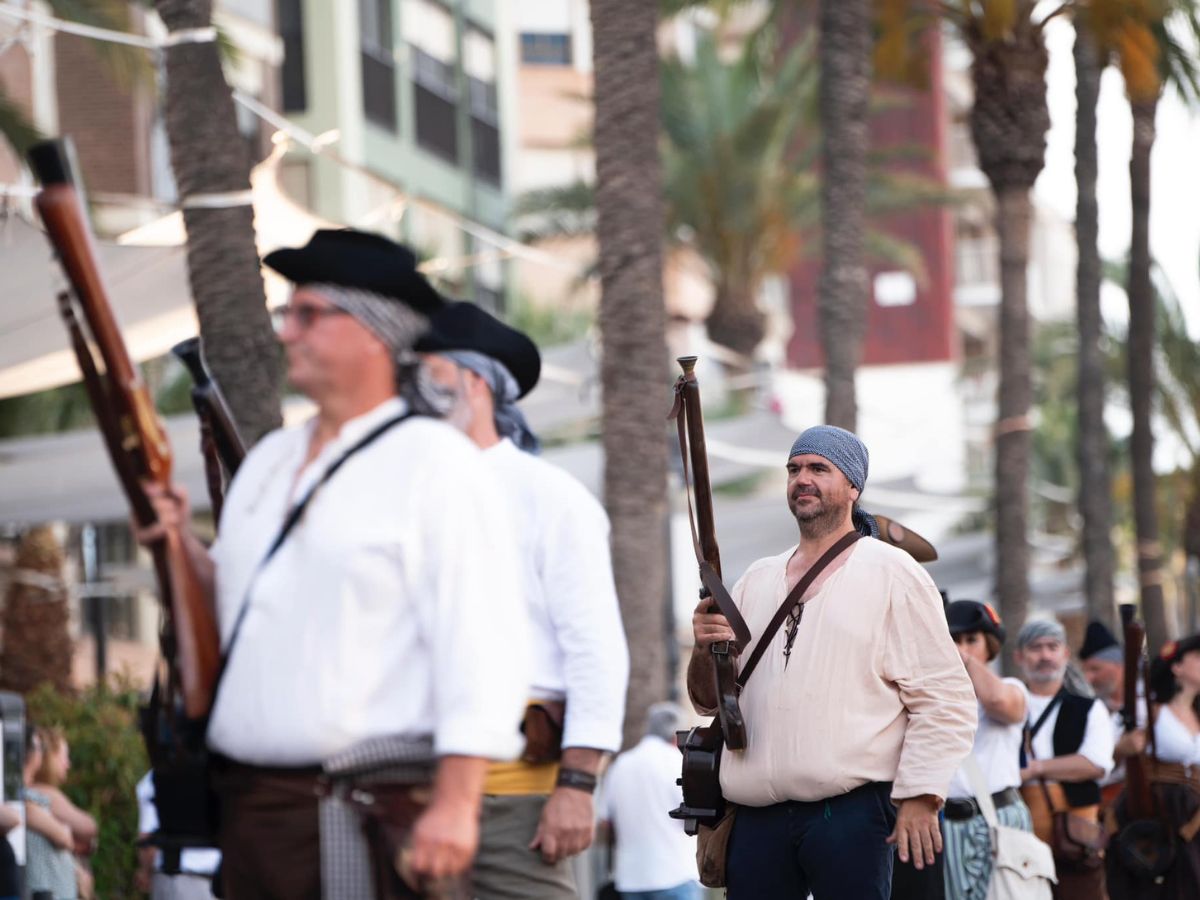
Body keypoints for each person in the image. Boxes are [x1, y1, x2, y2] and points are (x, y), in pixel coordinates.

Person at [135, 229, 531, 900]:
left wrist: (458, 803)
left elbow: (482, 645)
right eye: (288, 313)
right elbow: (229, 599)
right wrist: (176, 544)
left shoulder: (437, 465)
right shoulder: (269, 462)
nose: (287, 332)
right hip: (253, 811)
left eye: (308, 314)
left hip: (367, 816)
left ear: (374, 333)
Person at [689, 424, 977, 899]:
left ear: (852, 487)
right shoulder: (755, 579)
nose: (802, 478)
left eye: (819, 468)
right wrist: (704, 647)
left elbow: (943, 697)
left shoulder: (892, 572)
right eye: (794, 469)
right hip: (757, 819)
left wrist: (921, 795)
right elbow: (708, 701)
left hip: (850, 814)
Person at [417, 301, 629, 899]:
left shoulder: (548, 496)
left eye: (427, 376)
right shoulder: (402, 491)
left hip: (512, 799)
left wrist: (578, 786)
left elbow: (595, 651)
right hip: (404, 791)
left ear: (474, 382)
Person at [1015, 619, 1114, 900]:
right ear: (1019, 656)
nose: (1045, 655)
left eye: (1052, 647)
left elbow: (1095, 764)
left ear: (1065, 654)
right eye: (1035, 648)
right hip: (1019, 837)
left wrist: (1034, 769)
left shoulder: (1089, 708)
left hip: (1076, 839)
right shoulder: (1006, 705)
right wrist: (1066, 767)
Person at [941, 600, 1033, 900]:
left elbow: (999, 704)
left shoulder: (1011, 686)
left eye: (971, 640)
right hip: (950, 823)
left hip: (1002, 817)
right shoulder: (933, 697)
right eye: (954, 639)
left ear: (989, 645)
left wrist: (962, 660)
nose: (962, 646)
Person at [1106, 632, 1200, 900]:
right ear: (1177, 667)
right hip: (1159, 813)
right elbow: (1105, 757)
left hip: (1194, 817)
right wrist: (1123, 748)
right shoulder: (1150, 711)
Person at [598, 703, 700, 900]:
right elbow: (696, 813)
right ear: (675, 734)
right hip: (675, 873)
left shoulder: (621, 764)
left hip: (631, 878)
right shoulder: (679, 762)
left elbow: (605, 821)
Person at [1079, 621, 1147, 810]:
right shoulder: (1091, 711)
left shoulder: (1150, 704)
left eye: (1095, 669)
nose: (1088, 679)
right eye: (1086, 670)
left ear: (1119, 666)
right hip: (1112, 803)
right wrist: (1119, 750)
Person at [135, 770, 220, 899]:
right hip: (221, 881)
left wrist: (145, 872)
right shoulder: (225, 772)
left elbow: (148, 836)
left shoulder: (157, 777)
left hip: (176, 876)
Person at [23, 727, 78, 900]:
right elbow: (64, 837)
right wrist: (62, 831)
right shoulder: (24, 799)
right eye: (38, 747)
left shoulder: (30, 798)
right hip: (43, 891)